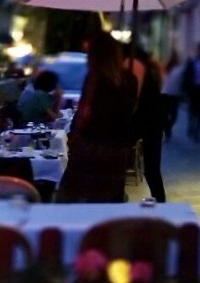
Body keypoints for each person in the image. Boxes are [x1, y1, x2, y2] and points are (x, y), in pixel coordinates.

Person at [57, 33, 139, 202]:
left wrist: (73, 137)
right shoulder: (130, 79)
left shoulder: (95, 78)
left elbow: (85, 112)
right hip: (117, 149)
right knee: (108, 200)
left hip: (92, 147)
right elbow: (130, 110)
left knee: (76, 197)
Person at [127, 45, 167, 203]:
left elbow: (133, 97)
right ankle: (161, 202)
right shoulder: (151, 68)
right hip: (154, 120)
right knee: (152, 169)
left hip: (144, 119)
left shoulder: (134, 65)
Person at [160, 50, 185, 141]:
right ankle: (167, 130)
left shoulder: (179, 69)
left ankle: (168, 128)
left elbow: (183, 79)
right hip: (166, 93)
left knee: (174, 115)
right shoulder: (167, 68)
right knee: (166, 114)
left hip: (175, 94)